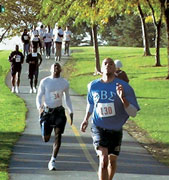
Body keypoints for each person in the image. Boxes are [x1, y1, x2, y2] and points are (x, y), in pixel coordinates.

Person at [80, 58, 140, 180]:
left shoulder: (124, 87)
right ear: (101, 68)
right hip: (98, 126)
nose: (108, 65)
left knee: (112, 161)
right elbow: (91, 103)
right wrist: (86, 119)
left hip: (116, 129)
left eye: (111, 63)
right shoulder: (93, 85)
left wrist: (123, 98)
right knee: (103, 160)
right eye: (105, 63)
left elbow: (133, 113)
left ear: (115, 68)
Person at [36, 62, 73, 171]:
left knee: (58, 136)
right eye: (54, 66)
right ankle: (44, 127)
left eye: (58, 66)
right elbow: (39, 96)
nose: (56, 67)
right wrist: (39, 108)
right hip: (47, 112)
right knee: (46, 139)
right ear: (51, 69)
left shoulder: (64, 83)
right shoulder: (45, 81)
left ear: (61, 69)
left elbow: (67, 98)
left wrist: (71, 111)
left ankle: (53, 160)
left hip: (59, 112)